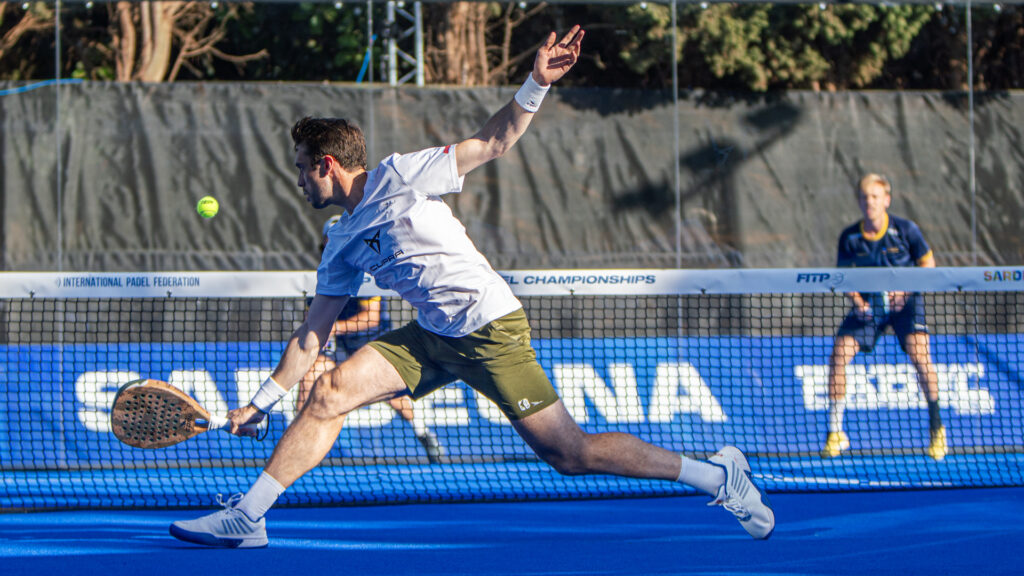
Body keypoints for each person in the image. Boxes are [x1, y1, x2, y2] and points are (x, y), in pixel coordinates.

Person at [170, 26, 774, 548]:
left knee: (570, 454)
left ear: (327, 163)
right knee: (328, 392)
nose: (299, 180)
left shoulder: (401, 175)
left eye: (302, 167)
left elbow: (494, 141)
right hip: (432, 336)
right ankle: (248, 516)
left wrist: (536, 82)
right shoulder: (340, 240)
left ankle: (718, 476)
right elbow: (312, 335)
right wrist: (261, 404)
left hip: (490, 329)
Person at [298, 215, 444, 463]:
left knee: (394, 396)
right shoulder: (318, 280)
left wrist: (335, 327)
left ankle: (424, 435)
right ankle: (300, 447)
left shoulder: (366, 276)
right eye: (332, 241)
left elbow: (370, 319)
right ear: (325, 245)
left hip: (372, 344)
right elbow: (314, 321)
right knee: (308, 383)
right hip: (338, 347)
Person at [821, 173, 946, 461]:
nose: (870, 202)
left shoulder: (906, 230)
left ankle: (937, 427)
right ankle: (835, 432)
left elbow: (928, 264)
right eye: (865, 197)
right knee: (839, 354)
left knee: (920, 355)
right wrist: (859, 302)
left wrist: (906, 291)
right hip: (869, 308)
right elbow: (844, 278)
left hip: (906, 304)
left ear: (886, 200)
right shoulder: (850, 237)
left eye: (875, 197)